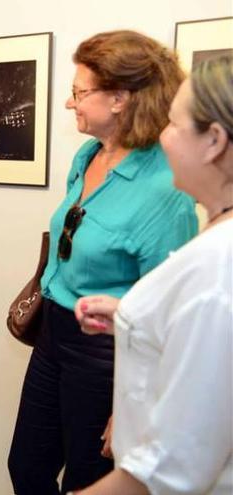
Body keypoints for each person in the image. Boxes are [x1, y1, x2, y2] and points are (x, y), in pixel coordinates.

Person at [7, 30, 198, 494]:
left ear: (119, 99)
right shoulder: (88, 154)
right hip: (54, 333)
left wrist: (135, 405)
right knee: (26, 467)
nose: (71, 103)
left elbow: (171, 310)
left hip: (108, 354)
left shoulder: (164, 187)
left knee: (88, 482)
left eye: (79, 92)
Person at [71, 54, 233, 495]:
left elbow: (168, 472)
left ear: (214, 140)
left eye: (174, 124)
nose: (161, 137)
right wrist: (129, 311)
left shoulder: (218, 269)